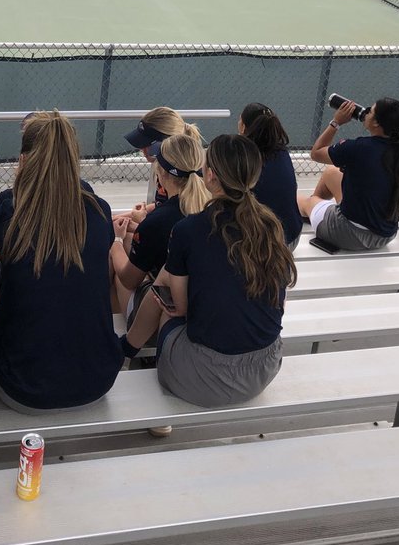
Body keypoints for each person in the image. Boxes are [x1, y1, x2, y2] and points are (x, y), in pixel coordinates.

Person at [123, 135, 297, 408]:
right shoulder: (271, 226)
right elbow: (280, 302)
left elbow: (178, 308)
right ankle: (131, 349)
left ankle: (129, 350)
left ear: (211, 175)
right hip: (265, 366)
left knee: (163, 282)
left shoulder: (189, 229)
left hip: (206, 376)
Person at [0, 111, 122, 412]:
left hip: (22, 387)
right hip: (97, 381)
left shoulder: (9, 213)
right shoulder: (99, 213)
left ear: (23, 161)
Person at [110, 133, 210, 319]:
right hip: (204, 306)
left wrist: (116, 239)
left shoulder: (158, 221)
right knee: (132, 241)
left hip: (169, 310)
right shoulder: (212, 207)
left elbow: (129, 280)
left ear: (161, 173)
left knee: (117, 268)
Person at [298, 97, 399, 251]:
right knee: (331, 172)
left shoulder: (359, 148)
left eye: (370, 110)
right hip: (385, 235)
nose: (365, 111)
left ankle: (316, 214)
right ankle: (319, 216)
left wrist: (336, 122)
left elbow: (316, 153)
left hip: (350, 234)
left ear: (377, 123)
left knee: (303, 200)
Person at [238, 102, 303, 249]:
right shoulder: (282, 152)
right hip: (293, 237)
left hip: (266, 246)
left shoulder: (245, 160)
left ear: (243, 127)